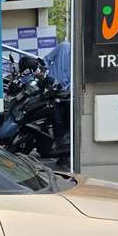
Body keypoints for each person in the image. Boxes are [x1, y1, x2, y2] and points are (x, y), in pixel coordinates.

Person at [43, 41, 71, 169]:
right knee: (57, 121)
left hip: (69, 94)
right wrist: (48, 76)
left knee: (68, 124)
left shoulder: (80, 54)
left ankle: (65, 155)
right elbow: (46, 60)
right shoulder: (64, 46)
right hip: (53, 91)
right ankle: (61, 156)